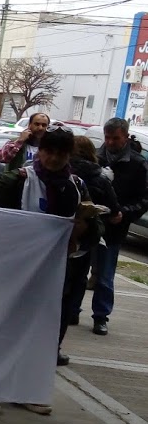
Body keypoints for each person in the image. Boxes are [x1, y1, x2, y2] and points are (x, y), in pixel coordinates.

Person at [0, 126, 92, 414]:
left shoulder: (76, 186)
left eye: (60, 154)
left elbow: (92, 222)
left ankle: (27, 388)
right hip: (12, 268)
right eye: (48, 151)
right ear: (40, 151)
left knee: (39, 331)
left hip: (51, 274)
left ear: (69, 155)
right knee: (0, 326)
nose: (54, 159)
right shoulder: (21, 178)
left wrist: (86, 226)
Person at [91, 117, 148, 336]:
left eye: (115, 138)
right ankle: (74, 310)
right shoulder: (94, 157)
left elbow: (144, 198)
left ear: (125, 136)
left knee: (105, 274)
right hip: (90, 222)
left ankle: (101, 316)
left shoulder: (137, 164)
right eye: (107, 137)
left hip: (115, 227)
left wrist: (125, 214)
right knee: (79, 272)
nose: (111, 142)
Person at [66, 136, 119, 339]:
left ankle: (71, 311)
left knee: (70, 274)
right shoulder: (100, 176)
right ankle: (89, 314)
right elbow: (113, 207)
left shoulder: (65, 172)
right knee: (90, 275)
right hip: (94, 233)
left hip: (68, 231)